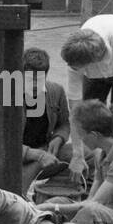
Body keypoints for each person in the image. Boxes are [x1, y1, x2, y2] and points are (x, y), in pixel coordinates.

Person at [59, 14, 113, 182]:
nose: (72, 69)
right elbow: (76, 111)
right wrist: (77, 154)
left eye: (78, 68)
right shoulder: (75, 63)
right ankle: (95, 173)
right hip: (93, 76)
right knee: (89, 122)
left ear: (94, 61)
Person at [20, 47, 71, 188]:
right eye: (30, 79)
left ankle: (54, 187)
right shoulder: (8, 95)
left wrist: (59, 138)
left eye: (40, 79)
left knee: (86, 153)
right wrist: (37, 155)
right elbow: (4, 143)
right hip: (18, 157)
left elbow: (64, 124)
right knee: (15, 197)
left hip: (46, 150)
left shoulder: (57, 91)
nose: (35, 85)